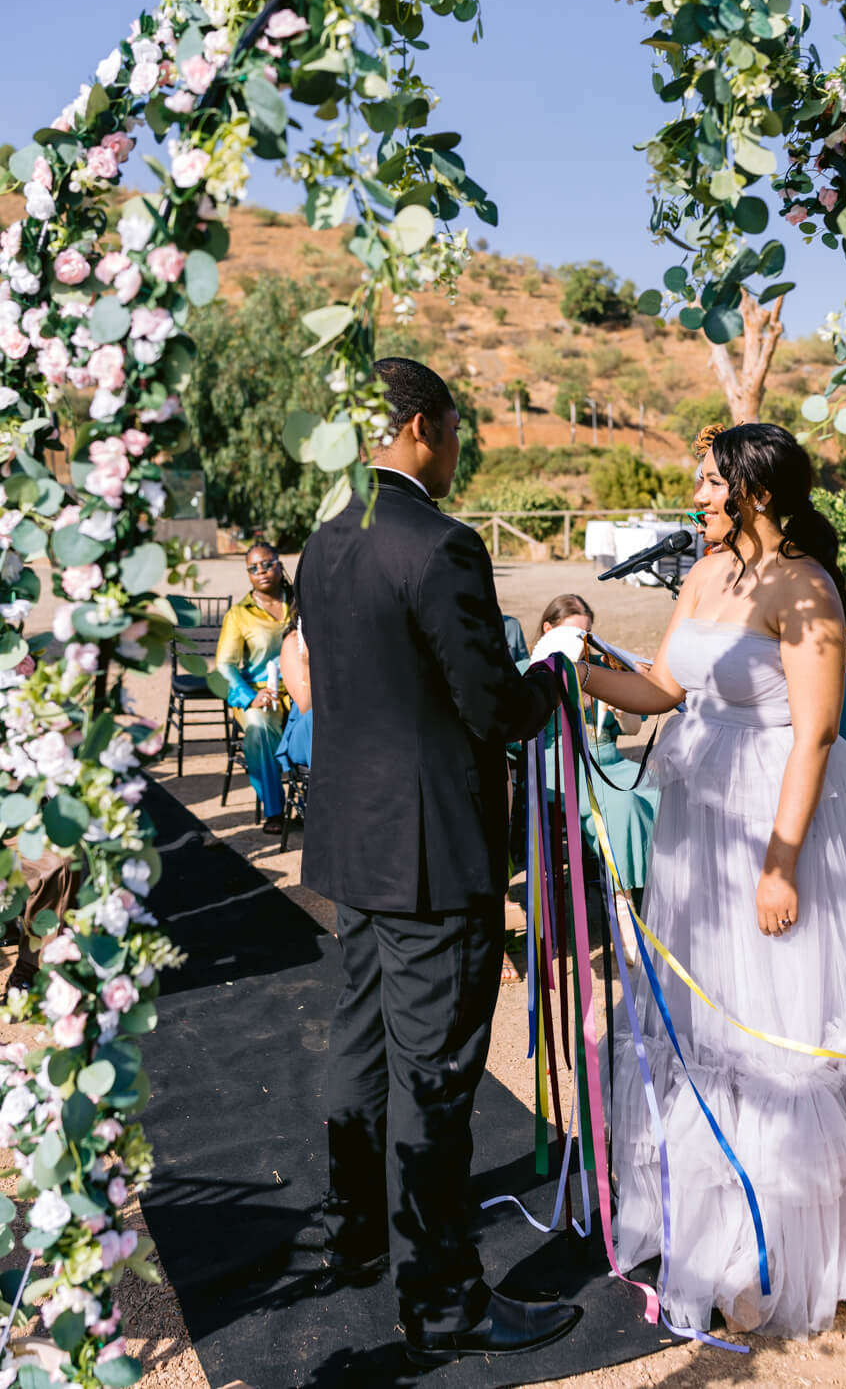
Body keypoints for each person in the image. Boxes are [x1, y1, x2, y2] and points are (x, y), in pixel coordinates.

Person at [578, 423, 846, 1338]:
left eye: (710, 481)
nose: (697, 493)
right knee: (706, 1013)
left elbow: (813, 734)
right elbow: (660, 685)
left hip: (773, 821)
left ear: (756, 492)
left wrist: (781, 864)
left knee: (772, 1023)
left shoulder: (806, 588)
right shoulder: (706, 573)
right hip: (701, 828)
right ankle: (705, 1221)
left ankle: (778, 1248)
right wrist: (581, 661)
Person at [294, 357, 581, 1364]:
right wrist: (556, 670)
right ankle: (446, 1301)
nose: (460, 448)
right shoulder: (442, 544)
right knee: (436, 1079)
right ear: (420, 427)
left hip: (351, 838)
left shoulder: (323, 540)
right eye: (456, 428)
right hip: (429, 851)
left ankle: (352, 1239)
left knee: (358, 1048)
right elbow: (493, 709)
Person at [528, 593, 659, 914]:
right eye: (573, 635)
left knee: (664, 790)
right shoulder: (530, 670)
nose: (581, 645)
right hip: (562, 766)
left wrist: (620, 709)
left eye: (586, 636)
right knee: (622, 803)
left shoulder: (598, 668)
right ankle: (624, 904)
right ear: (549, 630)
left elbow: (631, 730)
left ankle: (665, 887)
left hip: (610, 760)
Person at [215, 542, 292, 834]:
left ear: (279, 563)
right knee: (259, 728)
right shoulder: (239, 614)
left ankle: (317, 804)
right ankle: (275, 810)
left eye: (267, 564)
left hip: (301, 689)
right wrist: (250, 697)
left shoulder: (299, 600)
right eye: (253, 567)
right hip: (260, 692)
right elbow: (224, 666)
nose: (261, 571)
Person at [275, 612, 312, 775]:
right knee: (316, 718)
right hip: (307, 726)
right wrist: (306, 663)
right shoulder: (294, 640)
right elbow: (306, 706)